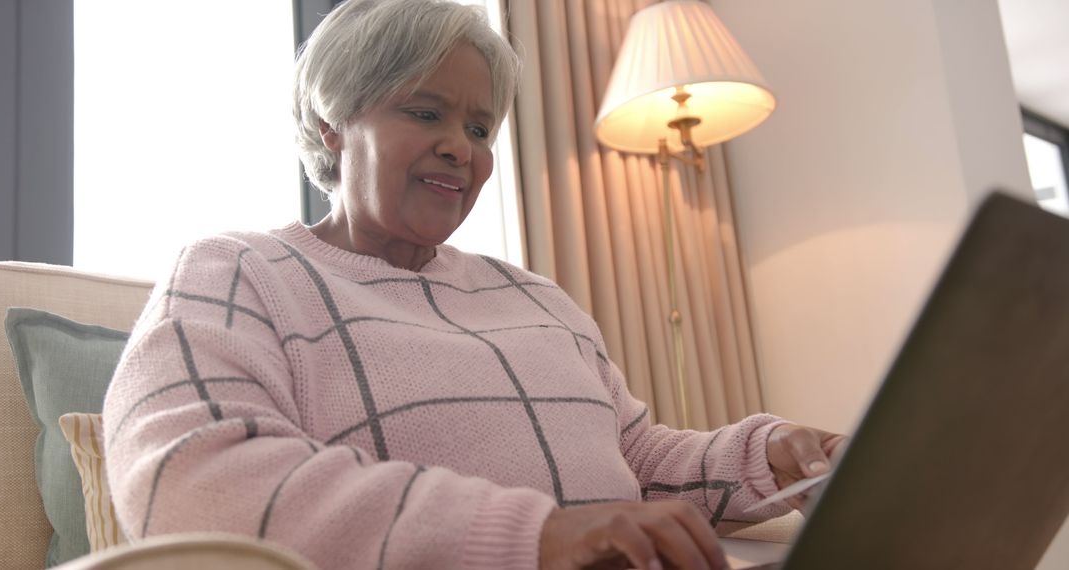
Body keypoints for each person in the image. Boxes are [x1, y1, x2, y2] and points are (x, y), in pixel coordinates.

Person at [102, 1, 845, 569]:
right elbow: (191, 479)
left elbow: (636, 462)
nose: (461, 148)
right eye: (425, 112)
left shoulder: (533, 296)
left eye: (482, 129)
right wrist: (537, 536)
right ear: (333, 124)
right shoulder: (236, 270)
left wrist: (765, 456)